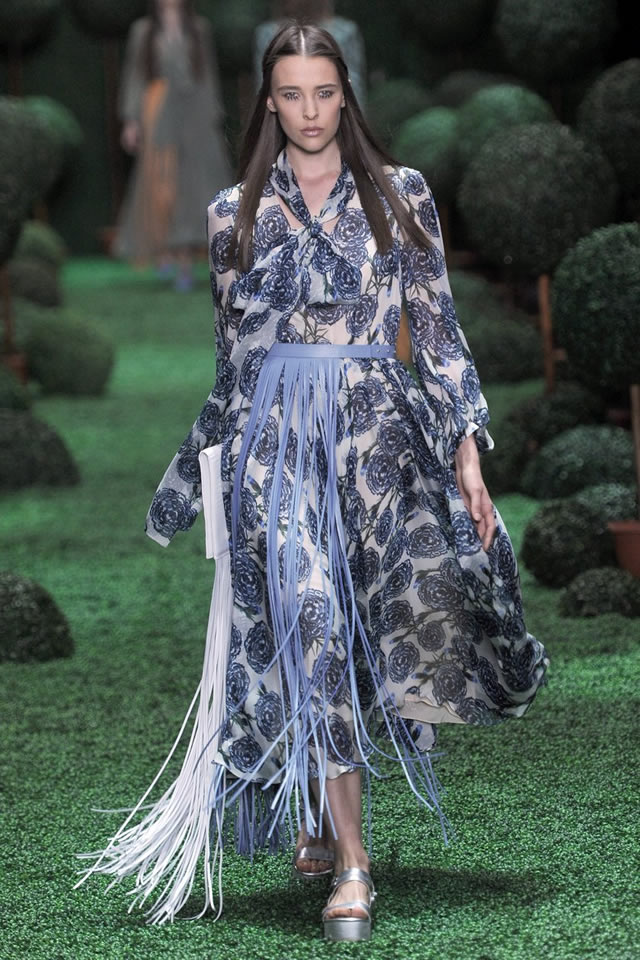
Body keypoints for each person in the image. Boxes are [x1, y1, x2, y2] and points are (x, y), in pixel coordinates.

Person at [76, 22, 549, 941]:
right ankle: (354, 863)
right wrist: (193, 486)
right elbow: (232, 368)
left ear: (346, 94)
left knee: (368, 632)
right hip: (277, 445)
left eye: (324, 93)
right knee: (311, 619)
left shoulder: (399, 195)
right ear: (269, 102)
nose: (310, 111)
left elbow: (438, 330)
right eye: (291, 94)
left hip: (376, 445)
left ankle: (319, 809)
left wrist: (468, 457)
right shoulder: (233, 214)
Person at [115, 0, 231, 290]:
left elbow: (208, 75)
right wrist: (131, 121)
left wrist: (214, 116)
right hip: (159, 113)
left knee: (196, 185)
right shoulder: (143, 31)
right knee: (163, 181)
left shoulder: (199, 29)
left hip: (196, 114)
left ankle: (185, 261)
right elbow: (135, 76)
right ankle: (166, 249)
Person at [253, 0, 367, 110]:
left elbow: (353, 83)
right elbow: (263, 84)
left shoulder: (344, 32)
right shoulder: (268, 34)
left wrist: (354, 117)